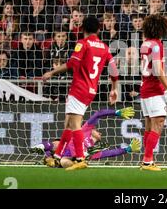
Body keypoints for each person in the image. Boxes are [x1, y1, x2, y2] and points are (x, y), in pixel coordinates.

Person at [42, 16, 119, 171]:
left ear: (82, 29)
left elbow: (72, 63)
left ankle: (80, 159)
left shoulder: (82, 44)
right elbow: (113, 68)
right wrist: (114, 87)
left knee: (75, 124)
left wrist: (52, 72)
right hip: (91, 89)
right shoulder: (104, 47)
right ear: (99, 29)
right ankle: (58, 156)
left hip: (79, 88)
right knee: (69, 124)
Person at [31, 107, 139, 168]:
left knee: (64, 161)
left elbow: (109, 153)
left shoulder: (94, 147)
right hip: (65, 149)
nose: (100, 133)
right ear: (92, 130)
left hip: (74, 155)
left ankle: (81, 157)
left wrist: (127, 149)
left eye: (100, 133)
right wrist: (116, 112)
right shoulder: (85, 129)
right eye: (98, 130)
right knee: (58, 148)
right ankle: (46, 152)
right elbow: (98, 114)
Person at [139, 14, 167, 171]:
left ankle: (147, 160)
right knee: (158, 123)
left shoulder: (145, 44)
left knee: (149, 125)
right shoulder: (156, 44)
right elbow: (157, 69)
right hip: (154, 89)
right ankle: (147, 161)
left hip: (145, 88)